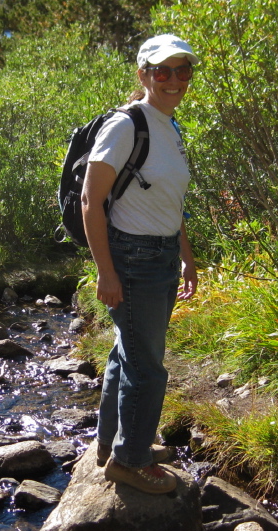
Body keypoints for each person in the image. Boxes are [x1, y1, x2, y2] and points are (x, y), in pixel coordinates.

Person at [81, 34, 199, 495]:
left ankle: (112, 444)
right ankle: (130, 461)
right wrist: (105, 271)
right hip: (132, 259)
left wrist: (186, 257)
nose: (173, 80)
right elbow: (92, 200)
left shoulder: (168, 124)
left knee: (126, 353)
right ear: (143, 74)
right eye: (162, 71)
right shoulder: (127, 125)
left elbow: (173, 201)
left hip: (163, 254)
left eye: (182, 70)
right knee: (147, 367)